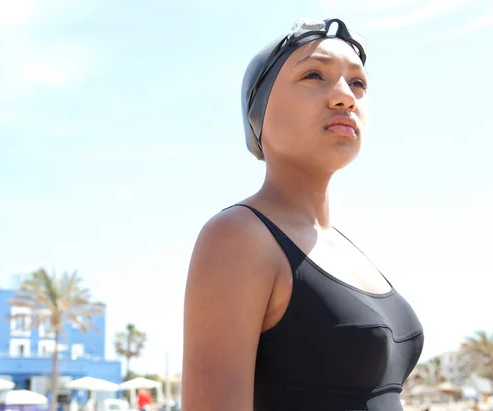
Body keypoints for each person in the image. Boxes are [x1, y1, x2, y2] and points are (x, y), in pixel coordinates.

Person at [182, 17, 424, 411]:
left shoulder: (345, 247)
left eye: (358, 83)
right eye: (314, 75)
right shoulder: (239, 237)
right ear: (257, 116)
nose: (345, 96)